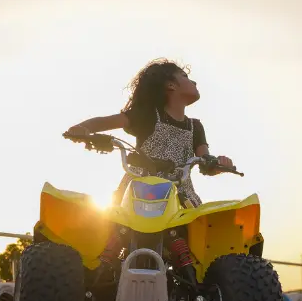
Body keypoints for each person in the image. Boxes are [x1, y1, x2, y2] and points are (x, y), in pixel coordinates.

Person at [65, 59, 234, 207]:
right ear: (171, 85)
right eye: (185, 77)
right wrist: (83, 129)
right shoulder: (148, 116)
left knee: (200, 235)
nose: (194, 82)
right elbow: (104, 121)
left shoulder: (195, 127)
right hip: (138, 192)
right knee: (109, 230)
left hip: (179, 197)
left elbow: (205, 161)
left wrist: (218, 164)